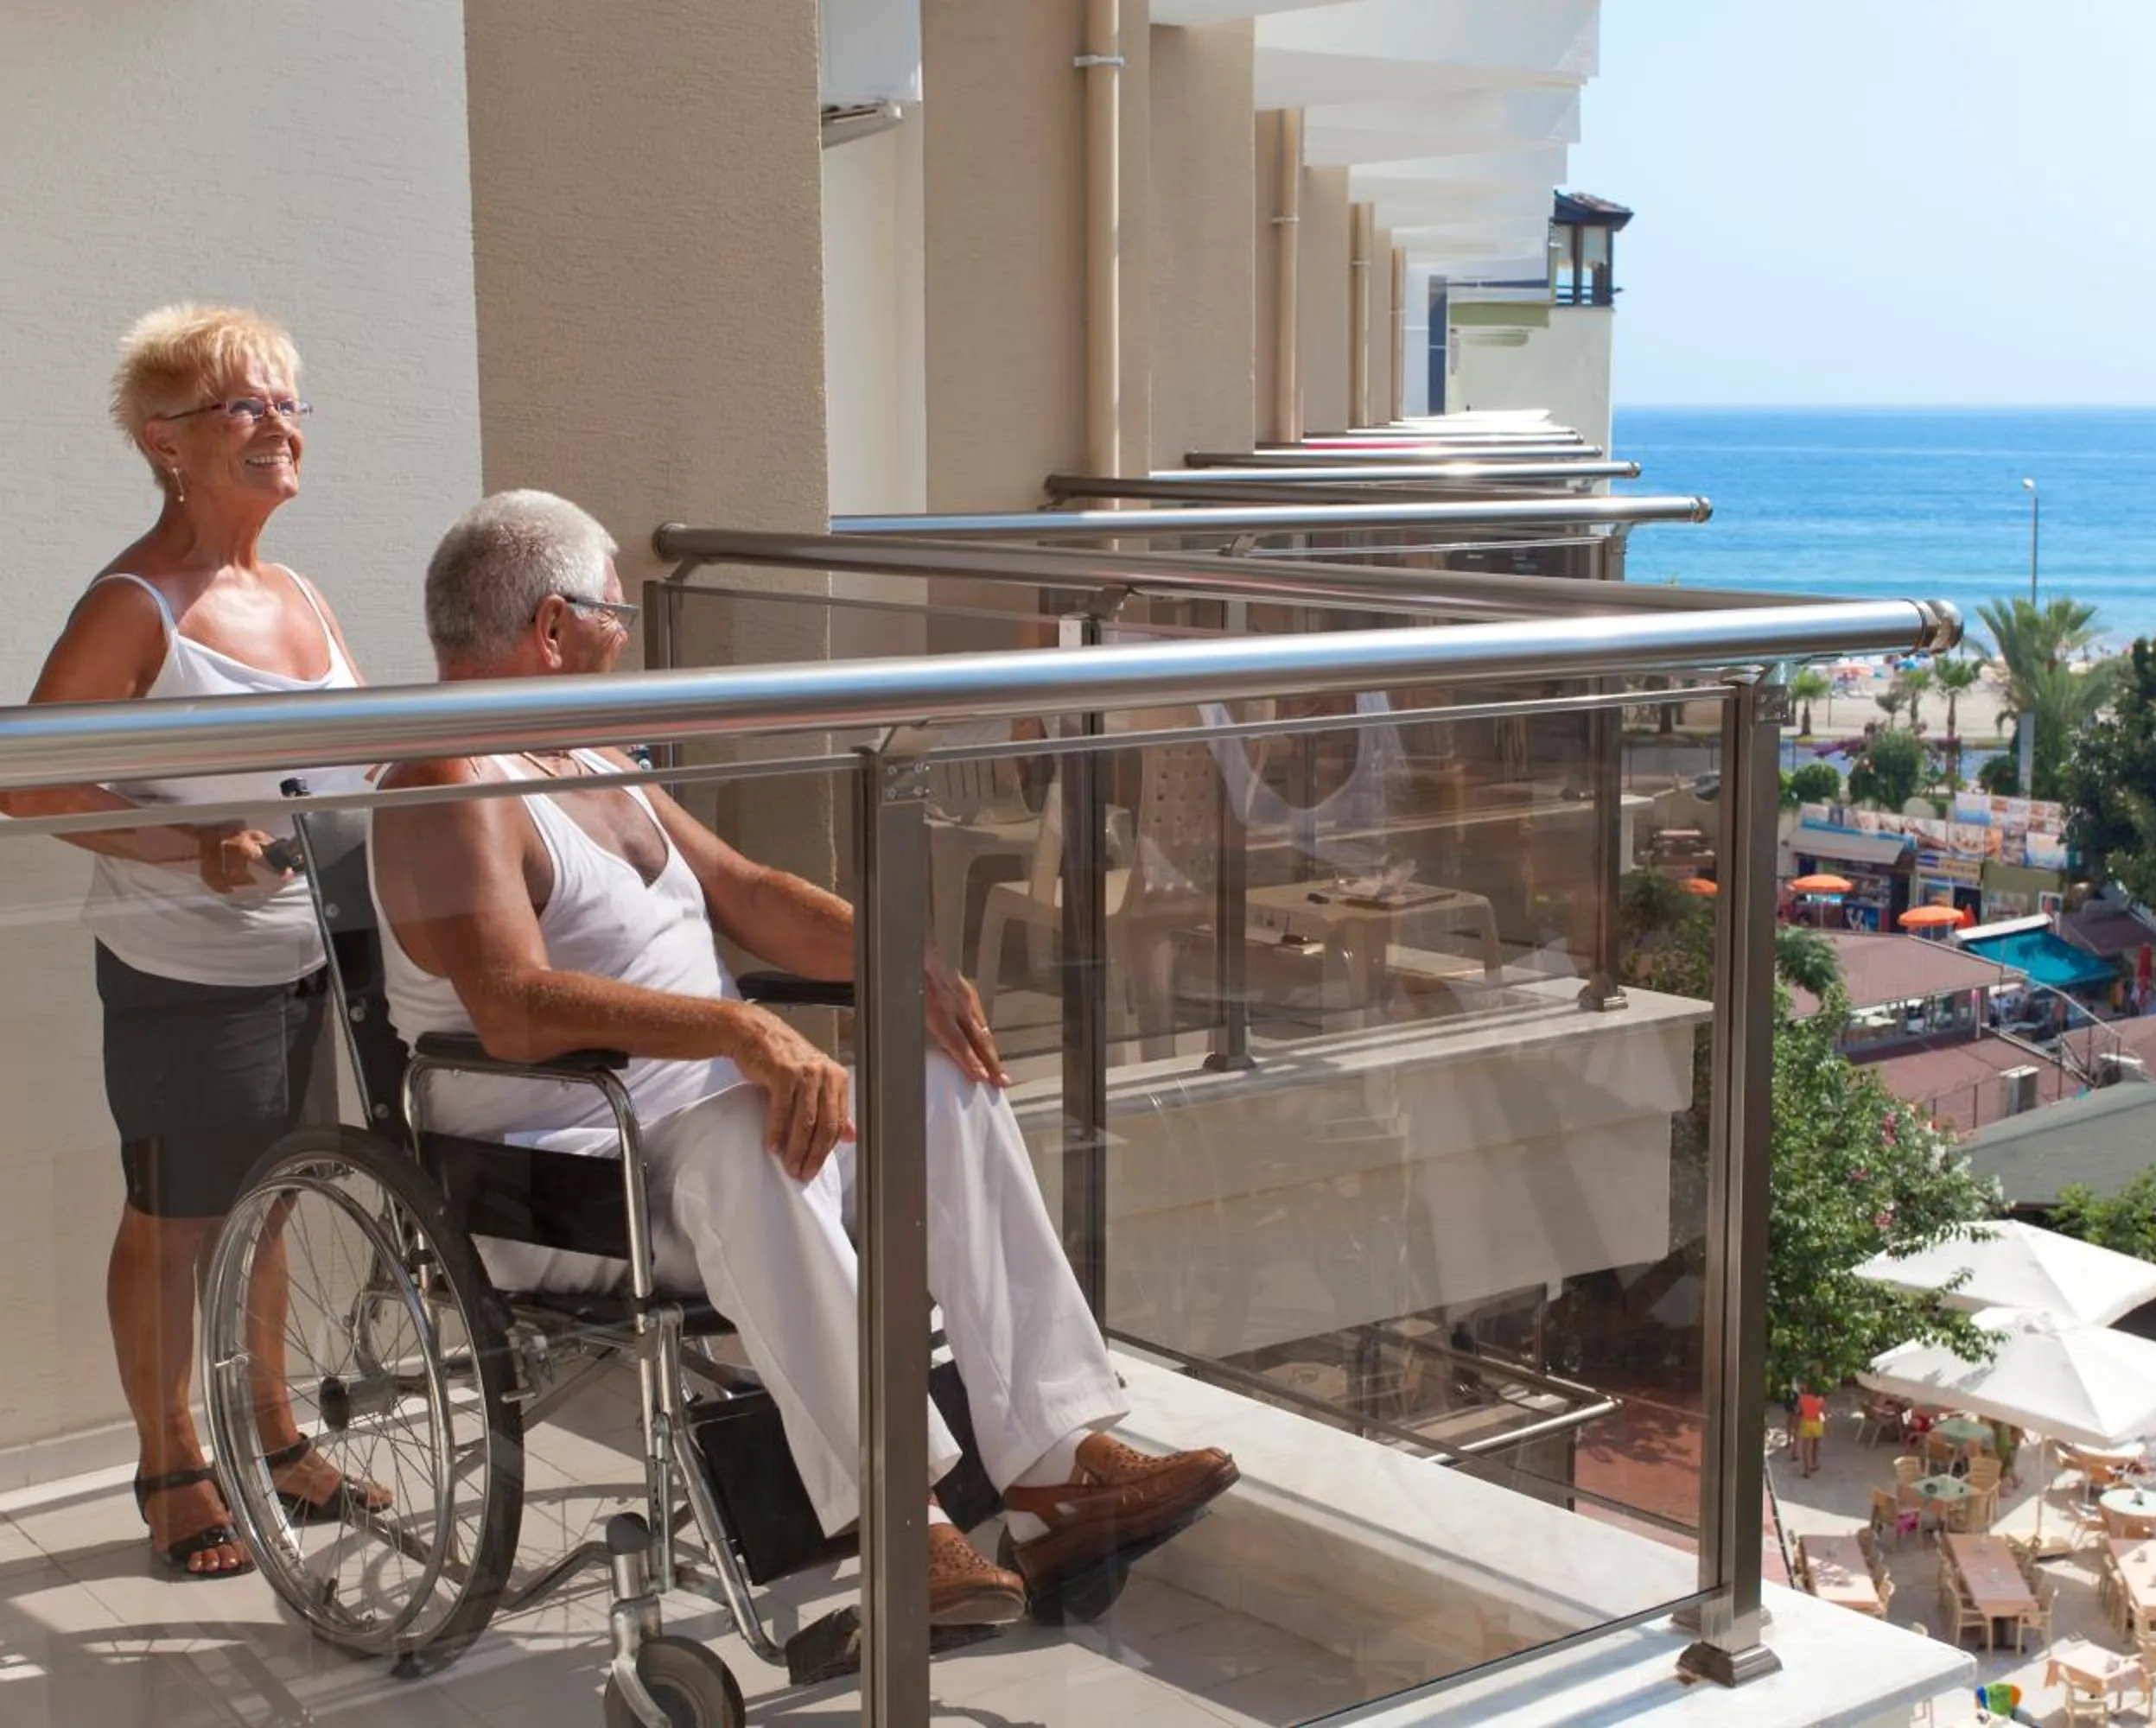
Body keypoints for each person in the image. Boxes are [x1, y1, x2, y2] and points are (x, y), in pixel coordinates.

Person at [370, 491, 1237, 1636]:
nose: (626, 635)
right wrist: (742, 1032)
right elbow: (516, 1009)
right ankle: (902, 1525)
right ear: (551, 625)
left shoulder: (582, 756)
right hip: (563, 1172)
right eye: (617, 612)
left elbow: (747, 894)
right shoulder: (445, 785)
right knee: (749, 1133)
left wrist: (907, 966)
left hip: (701, 1141)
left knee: (938, 1075)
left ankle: (1052, 1462)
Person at [0, 306, 379, 1579]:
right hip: (181, 972)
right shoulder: (134, 603)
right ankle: (171, 1463)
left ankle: (273, 1434)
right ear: (166, 443)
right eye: (243, 407)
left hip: (304, 956)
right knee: (175, 1218)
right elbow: (27, 783)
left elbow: (361, 770)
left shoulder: (299, 591)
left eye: (286, 403)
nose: (278, 427)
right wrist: (194, 848)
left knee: (266, 1209)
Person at [1794, 1385, 1825, 1477]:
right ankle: (1815, 1463)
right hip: (1818, 1423)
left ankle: (1807, 1471)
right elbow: (1822, 1413)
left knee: (1806, 1449)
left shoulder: (1802, 1399)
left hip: (1806, 1423)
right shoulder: (1820, 1399)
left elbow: (1799, 1413)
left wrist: (1796, 1426)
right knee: (1816, 1446)